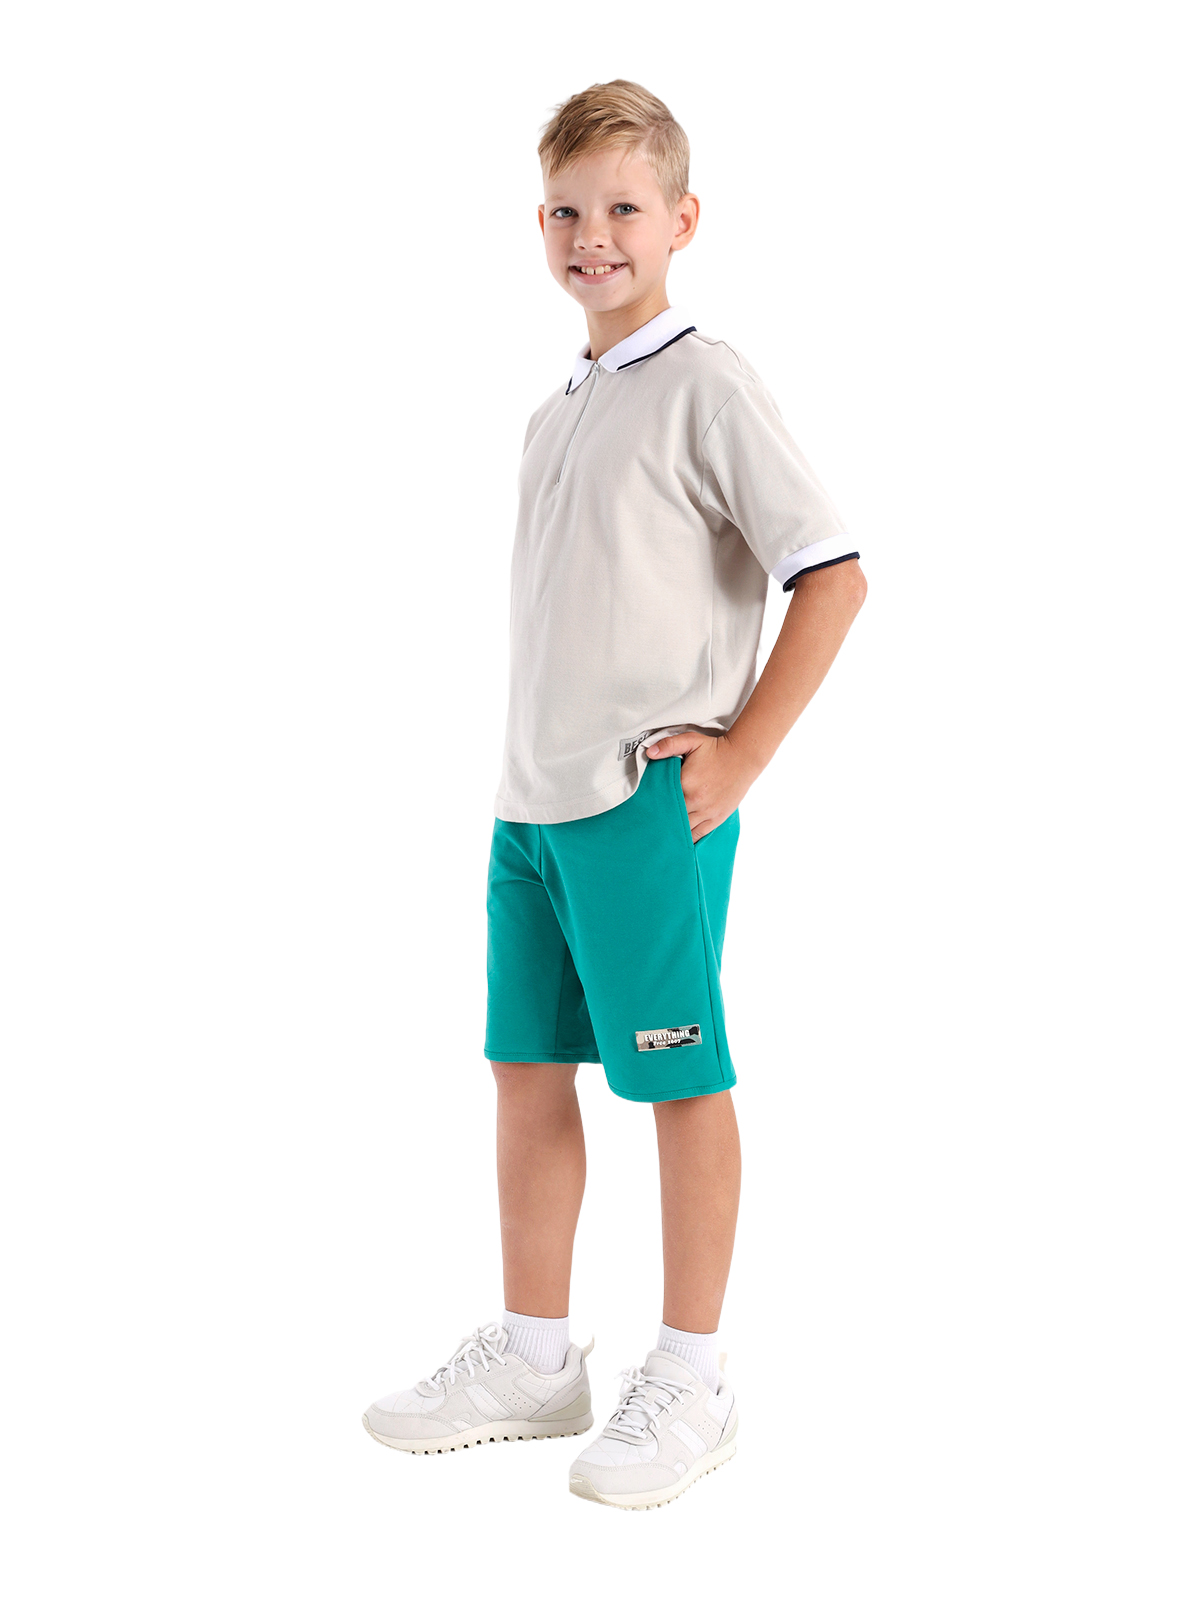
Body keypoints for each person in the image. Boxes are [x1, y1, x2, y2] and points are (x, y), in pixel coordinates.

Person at [363, 78, 867, 1510]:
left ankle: (693, 1378)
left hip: (649, 806)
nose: (594, 235)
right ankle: (536, 1357)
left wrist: (744, 752)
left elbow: (833, 575)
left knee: (678, 1077)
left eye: (624, 208)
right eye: (568, 211)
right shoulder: (556, 412)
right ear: (539, 226)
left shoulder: (709, 383)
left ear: (682, 221)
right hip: (531, 806)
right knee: (526, 1072)